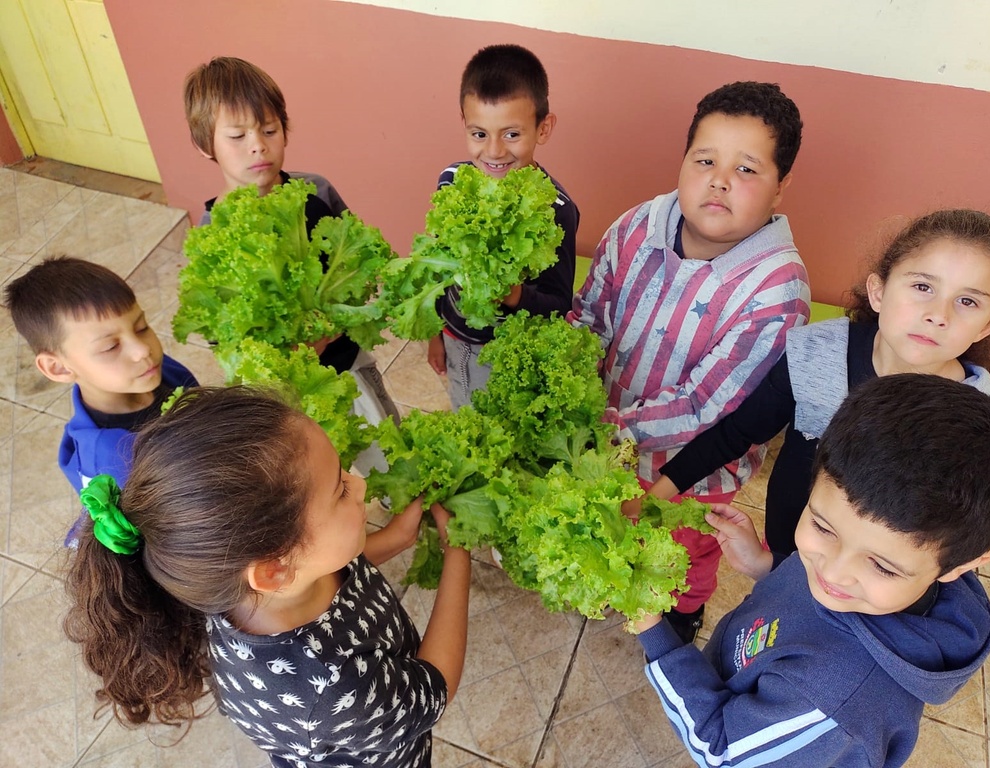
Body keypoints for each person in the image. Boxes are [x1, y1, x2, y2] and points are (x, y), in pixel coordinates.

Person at [63, 386, 471, 768]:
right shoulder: (333, 690)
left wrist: (393, 540)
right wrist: (458, 552)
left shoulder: (247, 583)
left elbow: (328, 570)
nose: (359, 483)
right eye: (340, 490)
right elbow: (435, 685)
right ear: (274, 570)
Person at [636, 373, 990, 767]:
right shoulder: (872, 583)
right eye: (822, 527)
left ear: (963, 565)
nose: (834, 573)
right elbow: (807, 606)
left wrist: (653, 630)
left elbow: (720, 749)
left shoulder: (835, 699)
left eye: (882, 567)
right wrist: (764, 565)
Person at [570, 81, 810, 642]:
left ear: (782, 186)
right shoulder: (635, 226)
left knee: (687, 549)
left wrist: (614, 428)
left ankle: (684, 607)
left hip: (696, 470)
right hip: (603, 439)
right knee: (614, 527)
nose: (720, 180)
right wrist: (580, 401)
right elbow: (590, 314)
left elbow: (705, 404)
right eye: (705, 160)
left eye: (747, 169)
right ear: (683, 161)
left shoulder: (777, 292)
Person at [651, 209, 990, 554]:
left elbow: (950, 541)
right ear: (878, 291)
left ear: (989, 325)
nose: (938, 315)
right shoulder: (816, 352)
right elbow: (737, 432)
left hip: (868, 597)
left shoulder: (984, 430)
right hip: (783, 555)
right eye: (923, 287)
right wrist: (655, 496)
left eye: (968, 301)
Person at [183, 56, 400, 472]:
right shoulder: (212, 233)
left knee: (386, 455)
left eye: (269, 130)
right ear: (204, 145)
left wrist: (339, 320)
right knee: (314, 474)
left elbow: (361, 258)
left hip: (346, 363)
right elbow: (225, 339)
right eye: (236, 136)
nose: (257, 146)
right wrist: (286, 352)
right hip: (289, 394)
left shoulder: (316, 191)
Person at [426, 44, 580, 409]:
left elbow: (559, 304)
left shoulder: (557, 210)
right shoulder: (452, 182)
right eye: (479, 134)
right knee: (462, 404)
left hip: (500, 353)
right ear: (463, 124)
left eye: (511, 134)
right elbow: (437, 267)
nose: (494, 151)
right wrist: (434, 332)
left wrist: (514, 296)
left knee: (490, 419)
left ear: (544, 128)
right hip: (452, 335)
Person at [2, 256, 198, 536]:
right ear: (58, 367)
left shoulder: (161, 371)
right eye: (110, 347)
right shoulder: (109, 464)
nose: (142, 350)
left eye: (141, 327)